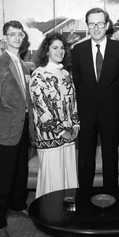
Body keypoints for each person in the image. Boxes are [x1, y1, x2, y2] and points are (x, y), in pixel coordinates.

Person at [0, 20, 34, 237]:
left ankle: (18, 205)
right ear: (5, 38)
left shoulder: (23, 65)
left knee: (21, 170)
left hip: (23, 126)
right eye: (12, 34)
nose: (16, 37)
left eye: (19, 34)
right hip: (6, 128)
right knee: (4, 177)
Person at [71, 7, 119, 188]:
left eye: (100, 23)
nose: (96, 28)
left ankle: (111, 197)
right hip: (86, 114)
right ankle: (84, 198)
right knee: (85, 160)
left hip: (110, 113)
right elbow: (78, 82)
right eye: (92, 24)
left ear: (107, 25)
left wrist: (111, 101)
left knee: (110, 159)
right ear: (87, 26)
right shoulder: (78, 50)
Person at [29, 32, 79, 198]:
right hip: (49, 137)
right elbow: (41, 109)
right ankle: (51, 217)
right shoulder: (38, 75)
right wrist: (60, 131)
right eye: (55, 48)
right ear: (46, 51)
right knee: (53, 180)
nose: (60, 51)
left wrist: (76, 125)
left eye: (62, 48)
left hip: (69, 135)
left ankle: (69, 216)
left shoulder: (65, 74)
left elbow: (73, 103)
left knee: (69, 178)